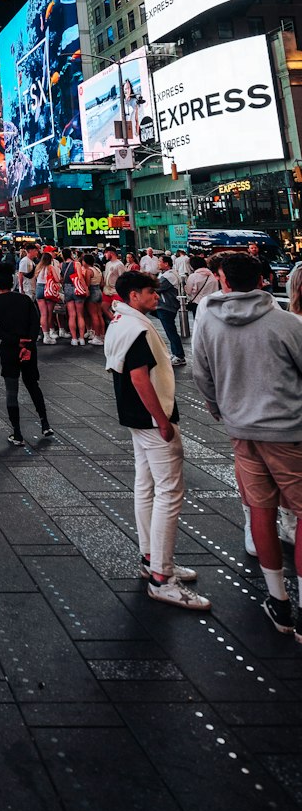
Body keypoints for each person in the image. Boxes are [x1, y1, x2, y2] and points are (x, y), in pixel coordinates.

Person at [192, 252, 302, 637]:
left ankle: (279, 601)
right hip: (290, 432)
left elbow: (201, 373)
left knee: (260, 510)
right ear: (263, 280)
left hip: (242, 431)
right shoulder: (286, 323)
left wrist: (221, 410)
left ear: (223, 280)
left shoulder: (207, 323)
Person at [103, 271, 209, 610]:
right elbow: (139, 378)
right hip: (152, 418)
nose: (156, 298)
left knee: (146, 486)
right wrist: (162, 421)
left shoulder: (121, 320)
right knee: (169, 492)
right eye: (150, 293)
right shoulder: (136, 328)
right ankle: (162, 577)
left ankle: (152, 558)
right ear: (134, 296)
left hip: (137, 418)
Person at [0, 265, 53, 445]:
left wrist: (15, 342)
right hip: (29, 348)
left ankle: (17, 433)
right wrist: (27, 343)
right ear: (13, 283)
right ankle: (45, 423)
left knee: (11, 390)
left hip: (9, 349)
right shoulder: (25, 300)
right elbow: (35, 322)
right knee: (32, 385)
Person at [155, 254, 186, 366]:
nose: (158, 263)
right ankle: (175, 353)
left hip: (167, 306)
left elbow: (156, 287)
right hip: (165, 306)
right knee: (170, 331)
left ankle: (179, 355)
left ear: (166, 263)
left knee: (171, 331)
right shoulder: (165, 274)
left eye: (159, 261)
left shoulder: (169, 276)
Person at [61, 248, 89, 345]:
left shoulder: (62, 265)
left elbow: (61, 279)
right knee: (80, 315)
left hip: (67, 289)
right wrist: (86, 288)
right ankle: (81, 338)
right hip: (77, 288)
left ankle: (73, 338)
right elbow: (80, 278)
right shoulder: (76, 263)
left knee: (71, 315)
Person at [35, 251, 62, 343]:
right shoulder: (50, 267)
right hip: (48, 290)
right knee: (49, 314)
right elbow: (57, 279)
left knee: (43, 314)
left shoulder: (38, 267)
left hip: (39, 289)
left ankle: (45, 335)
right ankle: (50, 333)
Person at [185, 256, 218, 324]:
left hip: (198, 304)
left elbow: (188, 291)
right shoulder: (213, 275)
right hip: (212, 303)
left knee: (199, 324)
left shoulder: (193, 276)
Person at [101, 246, 124, 318]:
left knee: (118, 310)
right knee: (104, 307)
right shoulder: (108, 264)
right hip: (107, 290)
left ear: (111, 253)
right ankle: (114, 320)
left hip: (116, 291)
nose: (105, 255)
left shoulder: (119, 264)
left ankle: (119, 323)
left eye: (106, 253)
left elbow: (122, 278)